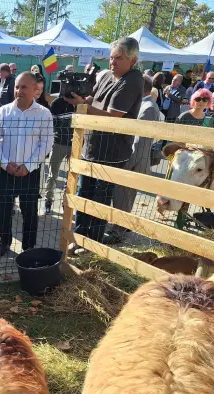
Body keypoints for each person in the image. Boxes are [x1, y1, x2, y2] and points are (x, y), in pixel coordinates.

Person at [63, 36, 144, 253]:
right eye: (111, 58)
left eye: (118, 58)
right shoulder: (108, 76)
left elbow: (113, 116)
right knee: (83, 195)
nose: (112, 63)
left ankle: (93, 243)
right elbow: (93, 100)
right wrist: (81, 100)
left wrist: (84, 106)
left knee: (99, 199)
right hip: (91, 146)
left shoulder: (132, 80)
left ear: (132, 60)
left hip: (112, 151)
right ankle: (79, 238)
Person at [0, 72, 53, 257]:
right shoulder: (3, 111)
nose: (19, 91)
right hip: (5, 171)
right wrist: (5, 164)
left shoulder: (44, 114)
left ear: (35, 90)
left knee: (30, 212)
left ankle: (29, 247)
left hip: (30, 173)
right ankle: (4, 242)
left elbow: (46, 144)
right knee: (4, 210)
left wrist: (28, 166)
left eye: (24, 87)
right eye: (17, 87)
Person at [106, 75, 163, 243]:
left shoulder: (148, 108)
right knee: (122, 198)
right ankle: (118, 229)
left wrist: (126, 164)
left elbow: (140, 143)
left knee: (123, 198)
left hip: (132, 163)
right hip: (130, 161)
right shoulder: (146, 105)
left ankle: (119, 232)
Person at [44, 90, 75, 214]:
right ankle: (48, 201)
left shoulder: (78, 103)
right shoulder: (56, 103)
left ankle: (66, 202)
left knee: (72, 177)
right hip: (58, 143)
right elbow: (52, 124)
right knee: (53, 175)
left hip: (75, 144)